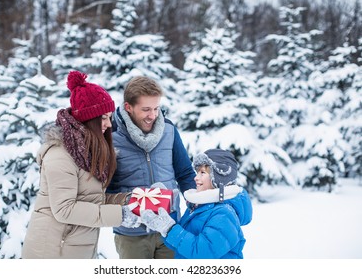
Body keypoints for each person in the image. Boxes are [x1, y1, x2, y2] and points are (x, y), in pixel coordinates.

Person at [22, 71, 141, 259]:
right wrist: (121, 215)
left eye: (109, 117)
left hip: (75, 249)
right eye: (103, 118)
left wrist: (127, 200)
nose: (109, 124)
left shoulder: (87, 152)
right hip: (53, 251)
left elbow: (91, 201)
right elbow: (65, 209)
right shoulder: (60, 155)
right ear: (88, 119)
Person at [106, 76, 197, 259]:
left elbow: (185, 172)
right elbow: (104, 188)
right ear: (128, 107)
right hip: (131, 235)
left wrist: (194, 200)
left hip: (169, 229)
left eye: (156, 108)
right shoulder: (111, 135)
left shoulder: (169, 130)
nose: (153, 115)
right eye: (146, 109)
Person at [141, 149, 253, 259]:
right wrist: (167, 211)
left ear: (219, 178)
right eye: (197, 172)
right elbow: (179, 245)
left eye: (203, 172)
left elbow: (201, 253)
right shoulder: (199, 207)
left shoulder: (224, 214)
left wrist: (170, 229)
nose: (196, 178)